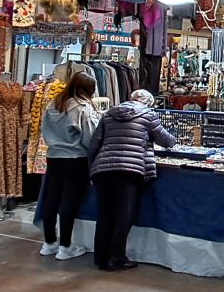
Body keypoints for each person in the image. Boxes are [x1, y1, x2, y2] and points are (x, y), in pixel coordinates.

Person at [88, 89, 176, 271]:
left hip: (103, 169)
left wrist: (91, 168)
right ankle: (117, 258)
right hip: (129, 170)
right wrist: (174, 141)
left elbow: (94, 143)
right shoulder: (148, 115)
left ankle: (101, 258)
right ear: (148, 103)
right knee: (123, 215)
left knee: (105, 215)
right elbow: (166, 140)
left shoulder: (109, 114)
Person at [39, 72, 99, 261]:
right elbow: (90, 137)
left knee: (51, 199)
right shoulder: (82, 107)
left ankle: (49, 242)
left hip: (53, 156)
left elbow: (43, 128)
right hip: (75, 158)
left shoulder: (54, 103)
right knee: (69, 201)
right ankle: (65, 246)